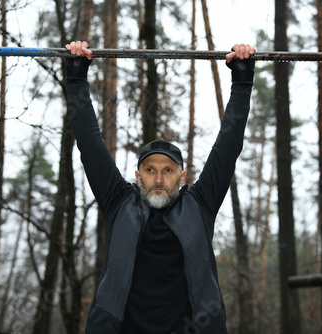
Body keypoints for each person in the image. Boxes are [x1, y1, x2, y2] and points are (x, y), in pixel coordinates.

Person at [65, 40, 255, 334]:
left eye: (168, 171)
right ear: (138, 175)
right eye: (150, 170)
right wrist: (77, 77)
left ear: (182, 176)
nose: (158, 179)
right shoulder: (119, 202)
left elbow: (228, 149)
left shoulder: (200, 205)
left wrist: (241, 81)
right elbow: (90, 145)